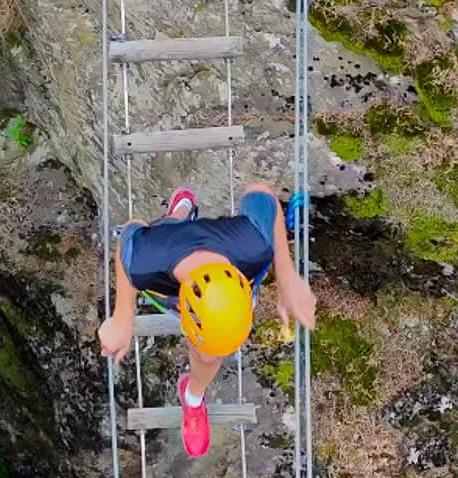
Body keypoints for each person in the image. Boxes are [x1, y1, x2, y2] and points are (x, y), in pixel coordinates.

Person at [97, 184, 318, 458]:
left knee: (208, 356)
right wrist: (123, 316)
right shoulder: (146, 262)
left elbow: (263, 194)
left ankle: (192, 398)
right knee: (167, 227)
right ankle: (180, 211)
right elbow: (132, 231)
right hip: (167, 251)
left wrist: (286, 274)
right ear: (182, 307)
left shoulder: (255, 245)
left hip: (211, 248)